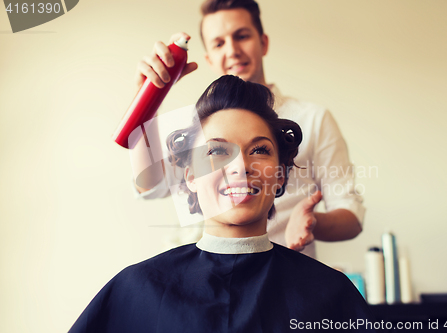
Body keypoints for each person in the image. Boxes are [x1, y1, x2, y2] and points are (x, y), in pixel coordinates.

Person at [69, 75, 373, 333]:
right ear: (190, 177)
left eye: (259, 150)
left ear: (280, 175)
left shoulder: (329, 293)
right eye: (217, 151)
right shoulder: (137, 290)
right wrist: (145, 101)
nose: (241, 166)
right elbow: (146, 180)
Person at [131, 0, 365, 258]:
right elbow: (149, 185)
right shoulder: (196, 125)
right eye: (219, 43)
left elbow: (351, 215)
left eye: (242, 36)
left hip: (283, 279)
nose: (232, 51)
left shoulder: (313, 119)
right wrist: (147, 98)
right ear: (208, 57)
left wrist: (312, 222)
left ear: (263, 42)